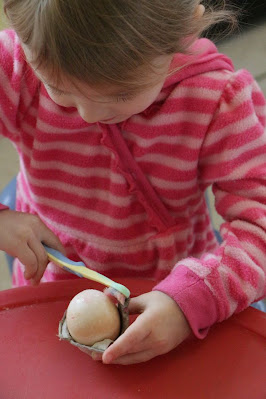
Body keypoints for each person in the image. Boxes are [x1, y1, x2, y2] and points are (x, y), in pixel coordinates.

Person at [0, 0, 265, 365]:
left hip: (175, 296)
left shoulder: (219, 101)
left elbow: (261, 226)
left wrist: (190, 303)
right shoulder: (13, 66)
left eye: (120, 94)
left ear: (188, 26)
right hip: (51, 294)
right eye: (57, 88)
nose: (88, 115)